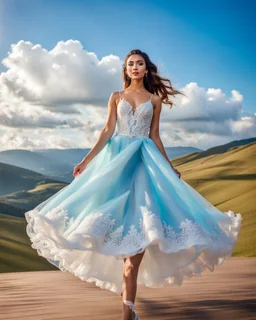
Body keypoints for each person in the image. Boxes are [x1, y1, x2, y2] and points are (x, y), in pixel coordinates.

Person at [25, 49, 242, 320]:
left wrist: (168, 165)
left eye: (139, 64)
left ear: (146, 69)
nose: (135, 68)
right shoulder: (117, 97)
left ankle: (128, 311)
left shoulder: (154, 100)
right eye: (131, 64)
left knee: (136, 247)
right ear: (126, 70)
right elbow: (107, 130)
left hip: (144, 161)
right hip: (115, 162)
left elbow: (155, 136)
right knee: (102, 216)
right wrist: (86, 161)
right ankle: (126, 299)